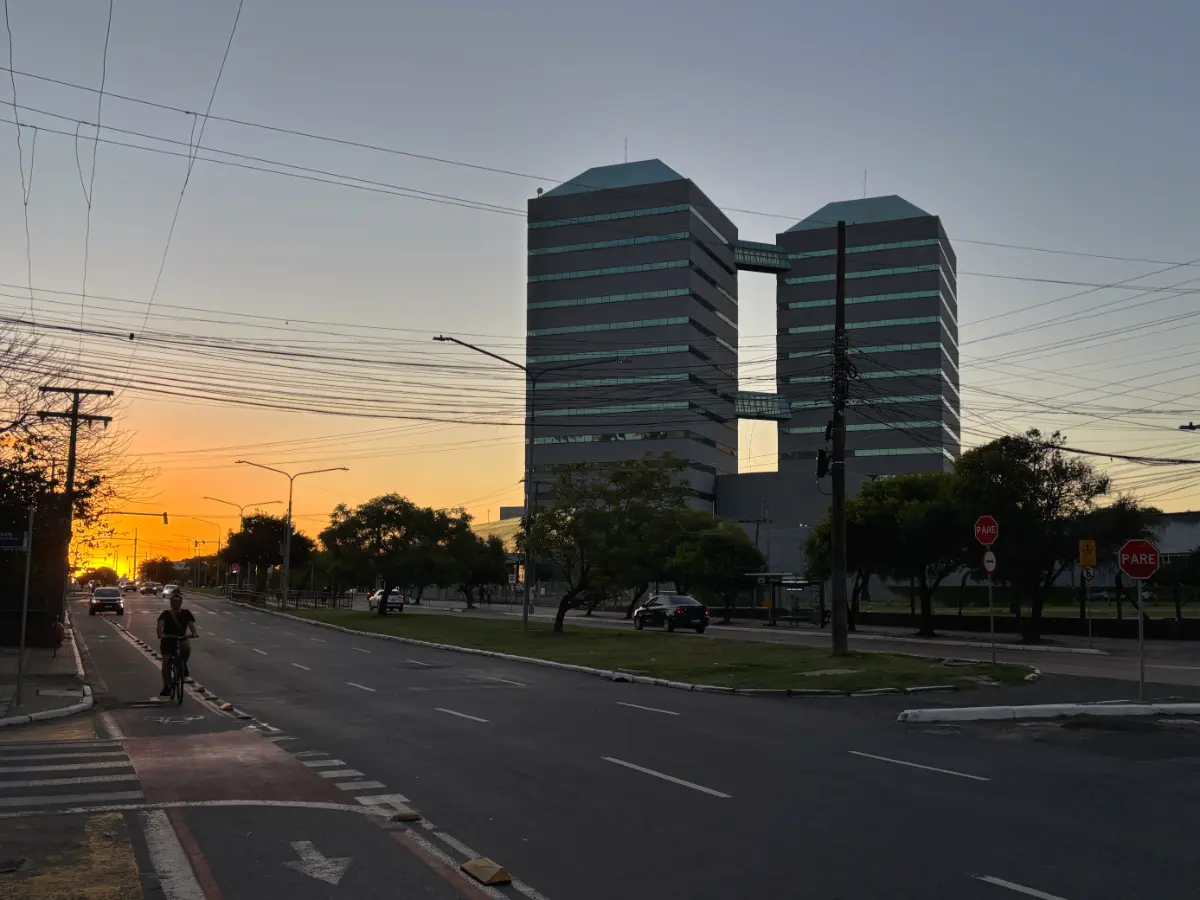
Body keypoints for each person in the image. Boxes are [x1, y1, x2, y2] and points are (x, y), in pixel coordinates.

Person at [157, 591, 198, 696]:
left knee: (186, 648)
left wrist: (193, 633)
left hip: (181, 638)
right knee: (166, 663)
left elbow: (191, 625)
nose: (176, 604)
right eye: (174, 602)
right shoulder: (166, 614)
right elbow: (160, 626)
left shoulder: (186, 613)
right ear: (171, 603)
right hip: (168, 640)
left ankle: (183, 664)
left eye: (178, 602)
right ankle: (167, 686)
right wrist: (161, 634)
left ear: (181, 603)